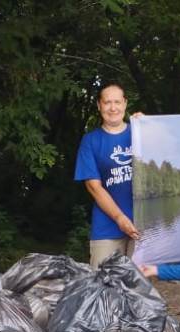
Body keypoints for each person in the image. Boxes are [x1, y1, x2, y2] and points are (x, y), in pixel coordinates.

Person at [74, 83, 140, 269]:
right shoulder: (90, 141)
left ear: (125, 103)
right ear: (99, 105)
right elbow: (93, 187)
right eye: (107, 102)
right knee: (101, 287)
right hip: (106, 227)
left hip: (143, 226)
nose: (113, 108)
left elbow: (165, 161)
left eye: (117, 102)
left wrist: (149, 126)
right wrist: (120, 218)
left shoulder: (140, 132)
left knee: (138, 291)